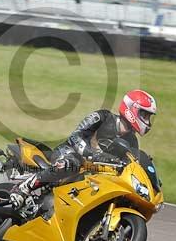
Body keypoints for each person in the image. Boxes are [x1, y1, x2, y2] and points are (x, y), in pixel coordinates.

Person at [9, 89, 157, 209]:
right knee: (70, 164)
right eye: (145, 115)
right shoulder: (103, 117)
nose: (147, 121)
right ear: (132, 109)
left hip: (94, 172)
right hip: (70, 152)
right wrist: (90, 154)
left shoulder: (132, 141)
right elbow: (76, 135)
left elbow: (130, 164)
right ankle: (23, 188)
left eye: (149, 117)